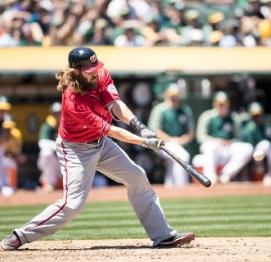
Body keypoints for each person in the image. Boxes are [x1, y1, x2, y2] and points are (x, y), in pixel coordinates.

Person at [1, 46, 194, 251]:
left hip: (101, 144)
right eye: (89, 69)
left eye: (96, 66)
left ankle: (163, 235)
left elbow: (115, 105)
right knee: (72, 204)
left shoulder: (99, 73)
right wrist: (144, 142)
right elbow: (111, 130)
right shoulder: (73, 100)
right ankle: (20, 236)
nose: (95, 71)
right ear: (76, 71)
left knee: (137, 176)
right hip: (76, 149)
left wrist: (140, 126)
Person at [194, 91, 253, 184]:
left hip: (228, 148)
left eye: (224, 103)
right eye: (219, 103)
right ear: (214, 104)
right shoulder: (207, 116)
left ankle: (225, 175)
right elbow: (200, 137)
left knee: (248, 148)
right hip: (213, 150)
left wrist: (230, 142)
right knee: (210, 145)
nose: (222, 106)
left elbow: (239, 137)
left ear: (228, 104)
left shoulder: (234, 117)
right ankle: (210, 178)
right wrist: (216, 140)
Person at [148, 84, 194, 186]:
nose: (173, 97)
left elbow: (190, 133)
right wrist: (172, 140)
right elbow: (155, 130)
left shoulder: (184, 110)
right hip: (161, 144)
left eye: (175, 95)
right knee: (182, 157)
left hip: (180, 144)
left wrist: (182, 140)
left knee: (173, 162)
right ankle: (181, 187)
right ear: (166, 95)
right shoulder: (160, 109)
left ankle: (170, 189)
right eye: (171, 95)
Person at [37, 102, 62, 192]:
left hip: (62, 159)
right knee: (46, 152)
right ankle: (48, 183)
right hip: (50, 160)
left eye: (60, 112)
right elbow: (41, 143)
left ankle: (57, 183)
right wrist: (58, 145)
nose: (58, 115)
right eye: (55, 113)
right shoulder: (47, 126)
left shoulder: (66, 125)